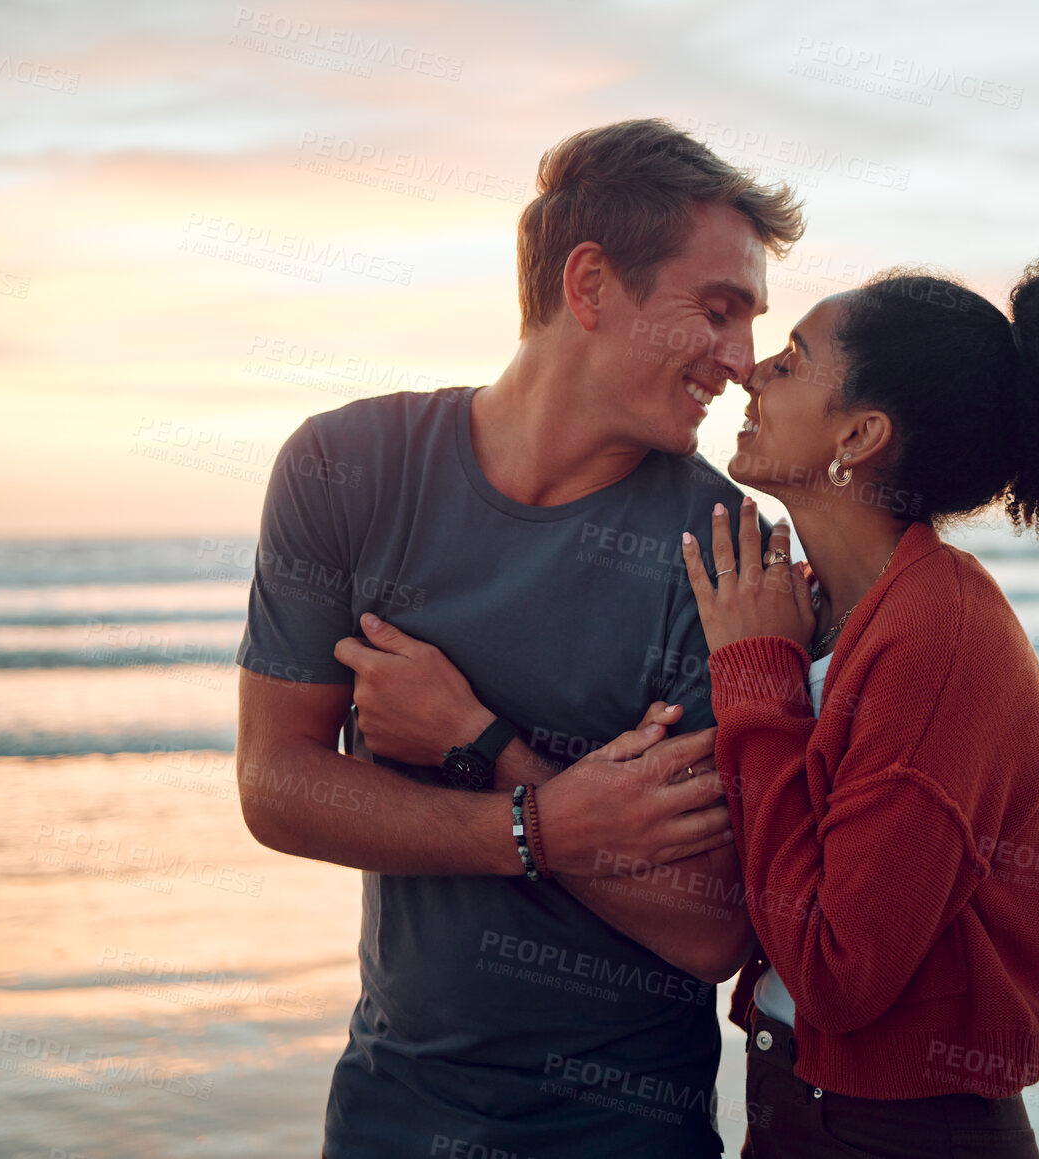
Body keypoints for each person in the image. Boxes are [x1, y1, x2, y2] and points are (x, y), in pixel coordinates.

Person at [233, 118, 801, 1158]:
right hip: (385, 1115)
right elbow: (275, 784)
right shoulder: (346, 469)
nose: (743, 362)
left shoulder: (729, 553)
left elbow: (711, 926)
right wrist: (540, 825)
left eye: (750, 322)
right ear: (589, 286)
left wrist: (483, 748)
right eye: (716, 312)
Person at [678, 242, 1039, 1158]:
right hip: (793, 1103)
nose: (755, 370)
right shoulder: (815, 607)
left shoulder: (941, 638)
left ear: (860, 436)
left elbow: (837, 969)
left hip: (900, 1133)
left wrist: (756, 676)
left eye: (796, 358)